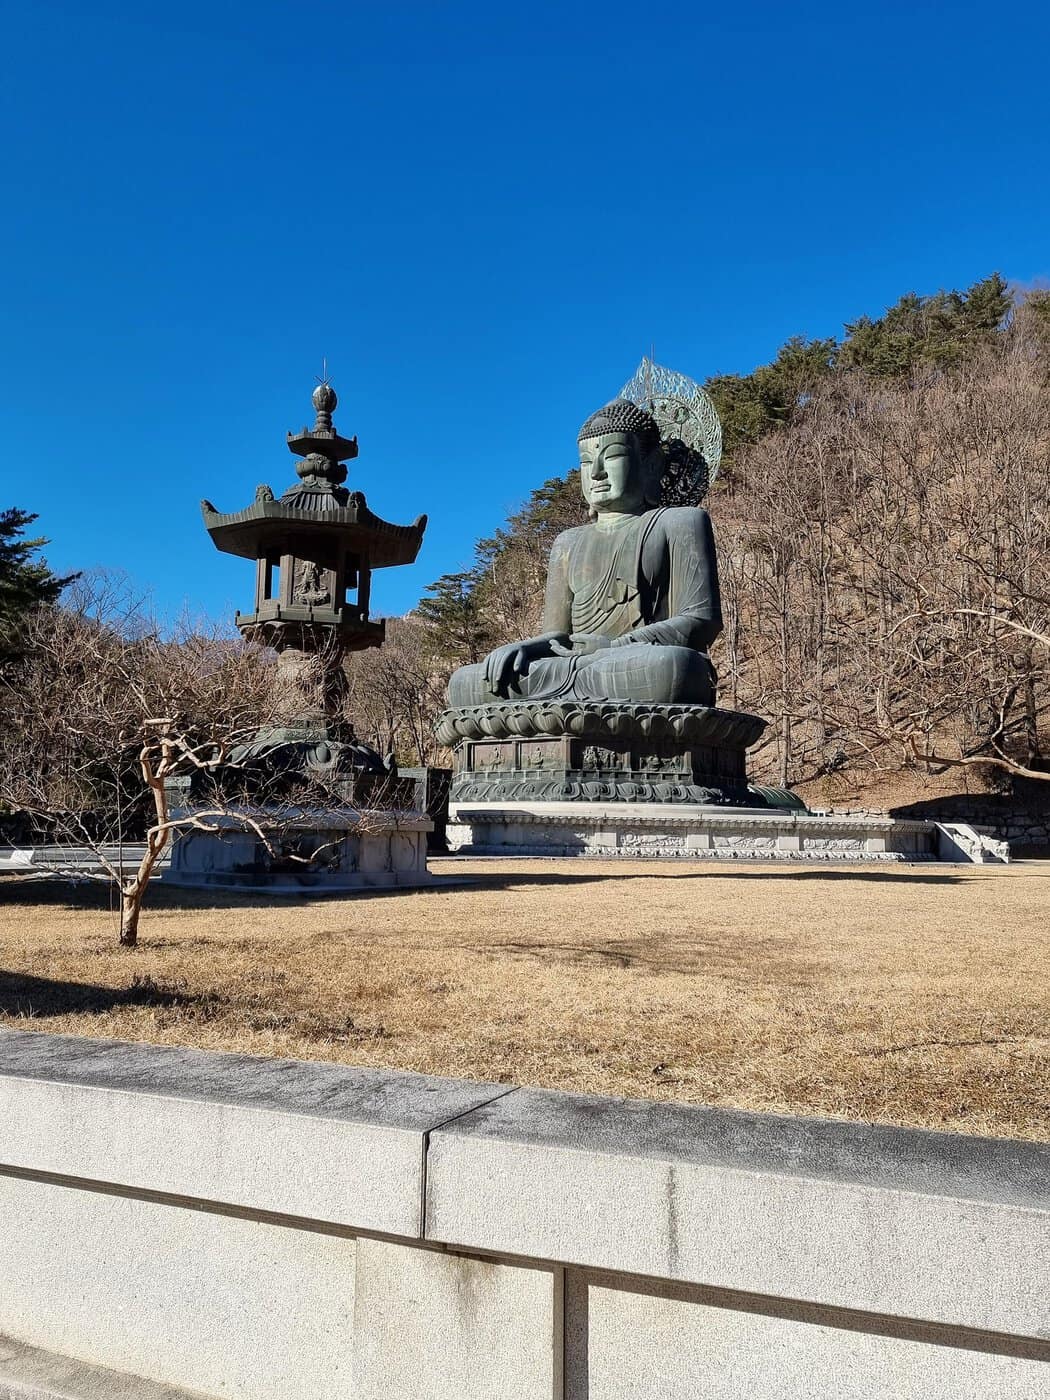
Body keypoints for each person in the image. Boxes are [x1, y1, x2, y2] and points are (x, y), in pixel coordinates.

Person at [447, 399, 722, 708]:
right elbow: (557, 637)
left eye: (612, 456)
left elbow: (701, 621)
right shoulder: (568, 542)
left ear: (652, 464)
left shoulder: (680, 522)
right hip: (576, 667)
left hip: (635, 663)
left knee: (675, 669)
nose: (597, 473)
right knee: (466, 682)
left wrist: (613, 646)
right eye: (587, 462)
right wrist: (525, 648)